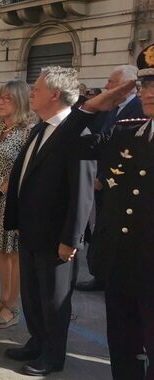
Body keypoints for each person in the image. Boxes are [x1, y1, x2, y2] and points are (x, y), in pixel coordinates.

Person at [57, 44, 154, 380]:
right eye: (146, 84)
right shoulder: (128, 132)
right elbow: (69, 141)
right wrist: (98, 103)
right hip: (121, 267)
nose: (150, 93)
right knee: (124, 354)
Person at [3, 67, 97, 376]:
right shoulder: (41, 127)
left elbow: (82, 193)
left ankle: (53, 356)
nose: (31, 93)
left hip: (56, 236)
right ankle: (36, 342)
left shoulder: (76, 132)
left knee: (54, 301)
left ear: (55, 94)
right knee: (32, 294)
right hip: (31, 229)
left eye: (36, 89)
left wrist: (71, 239)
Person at [76, 64, 146, 293]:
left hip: (121, 185)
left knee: (116, 230)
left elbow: (128, 155)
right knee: (104, 228)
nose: (106, 87)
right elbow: (100, 143)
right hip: (105, 180)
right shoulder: (113, 108)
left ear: (128, 87)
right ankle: (101, 273)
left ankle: (111, 275)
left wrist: (105, 178)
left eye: (111, 83)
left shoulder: (138, 108)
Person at [0, 80, 36, 329]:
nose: (0, 102)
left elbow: (25, 171)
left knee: (14, 253)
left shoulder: (29, 131)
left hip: (14, 200)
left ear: (21, 101)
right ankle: (2, 299)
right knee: (0, 251)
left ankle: (13, 305)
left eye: (7, 98)